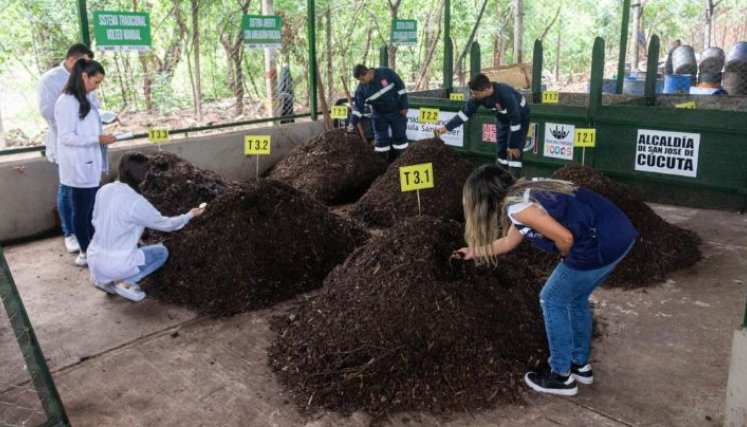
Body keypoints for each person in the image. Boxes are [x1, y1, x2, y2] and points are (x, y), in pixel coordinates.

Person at [452, 165, 638, 396]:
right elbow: (509, 242)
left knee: (551, 299)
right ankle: (580, 365)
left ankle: (561, 376)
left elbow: (565, 237)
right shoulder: (524, 193)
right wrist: (474, 251)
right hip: (619, 237)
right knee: (576, 299)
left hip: (599, 244)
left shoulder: (519, 208)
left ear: (483, 199)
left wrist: (565, 254)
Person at [87, 152, 206, 302]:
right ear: (142, 177)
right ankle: (126, 282)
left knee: (130, 247)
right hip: (116, 264)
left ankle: (105, 281)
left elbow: (95, 219)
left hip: (94, 258)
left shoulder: (104, 190)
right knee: (161, 252)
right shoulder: (136, 202)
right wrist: (189, 215)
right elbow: (167, 224)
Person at [54, 59, 116, 267]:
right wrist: (97, 139)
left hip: (88, 162)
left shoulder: (84, 98)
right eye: (95, 82)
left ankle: (92, 248)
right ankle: (85, 252)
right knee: (81, 211)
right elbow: (66, 137)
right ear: (83, 76)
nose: (96, 86)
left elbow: (86, 128)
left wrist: (99, 136)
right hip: (78, 166)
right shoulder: (67, 101)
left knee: (89, 210)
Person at [38, 44, 95, 254]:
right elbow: (49, 113)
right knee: (68, 187)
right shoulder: (50, 81)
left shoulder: (85, 77)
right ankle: (70, 232)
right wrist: (79, 125)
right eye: (83, 64)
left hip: (87, 143)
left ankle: (85, 231)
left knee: (84, 189)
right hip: (66, 142)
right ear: (72, 60)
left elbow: (93, 103)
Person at [436, 73, 530, 177]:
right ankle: (500, 177)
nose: (473, 96)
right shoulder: (478, 98)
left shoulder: (505, 93)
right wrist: (447, 127)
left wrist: (513, 144)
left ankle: (513, 179)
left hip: (520, 116)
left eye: (475, 93)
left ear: (485, 90)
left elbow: (515, 121)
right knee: (501, 149)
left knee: (513, 152)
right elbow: (464, 113)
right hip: (502, 119)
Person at [347, 64, 409, 161]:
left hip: (397, 112)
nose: (362, 82)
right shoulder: (361, 89)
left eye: (362, 79)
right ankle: (384, 166)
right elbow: (358, 109)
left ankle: (402, 162)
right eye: (360, 81)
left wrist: (404, 105)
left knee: (400, 138)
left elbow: (401, 87)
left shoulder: (386, 73)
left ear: (367, 73)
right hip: (379, 115)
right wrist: (351, 123)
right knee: (380, 142)